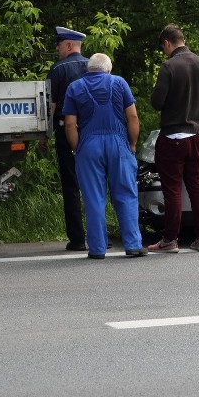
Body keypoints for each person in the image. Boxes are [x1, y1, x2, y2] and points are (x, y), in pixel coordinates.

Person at [62, 53, 147, 259]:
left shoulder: (75, 87)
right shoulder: (119, 82)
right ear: (107, 69)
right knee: (126, 194)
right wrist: (132, 143)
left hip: (89, 146)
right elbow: (133, 116)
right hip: (119, 144)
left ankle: (98, 249)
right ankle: (133, 245)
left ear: (88, 69)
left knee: (93, 198)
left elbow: (70, 124)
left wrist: (76, 148)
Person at [148, 24, 199, 253]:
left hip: (173, 136)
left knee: (172, 190)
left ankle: (170, 240)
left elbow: (157, 102)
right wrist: (195, 107)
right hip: (197, 135)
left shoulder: (169, 66)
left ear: (167, 43)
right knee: (197, 187)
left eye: (163, 47)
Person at [48, 26, 89, 251]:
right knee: (94, 184)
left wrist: (46, 135)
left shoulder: (58, 69)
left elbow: (51, 106)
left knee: (71, 185)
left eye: (59, 44)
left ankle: (78, 239)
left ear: (70, 45)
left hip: (66, 132)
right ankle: (99, 235)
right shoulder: (95, 66)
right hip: (92, 132)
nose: (57, 47)